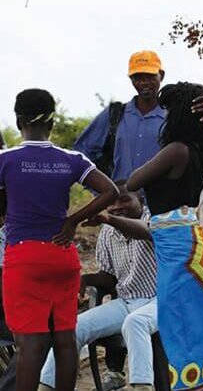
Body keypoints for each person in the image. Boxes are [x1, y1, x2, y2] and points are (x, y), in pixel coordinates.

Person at [0, 89, 118, 391]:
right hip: (62, 256)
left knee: (29, 345)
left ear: (18, 121)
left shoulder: (6, 160)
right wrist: (73, 220)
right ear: (52, 123)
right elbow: (110, 192)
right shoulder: (71, 159)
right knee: (66, 339)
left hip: (23, 259)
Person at [126, 82, 203, 390]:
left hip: (179, 247)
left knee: (178, 321)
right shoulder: (196, 149)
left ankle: (187, 383)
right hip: (184, 241)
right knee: (189, 320)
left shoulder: (175, 150)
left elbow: (132, 181)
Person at [39, 184, 157, 391]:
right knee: (74, 327)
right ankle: (47, 386)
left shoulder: (154, 219)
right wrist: (85, 279)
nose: (117, 206)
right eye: (111, 203)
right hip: (127, 301)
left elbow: (145, 232)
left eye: (125, 199)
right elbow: (110, 279)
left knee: (135, 322)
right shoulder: (107, 233)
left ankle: (142, 386)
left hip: (160, 300)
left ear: (140, 197)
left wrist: (109, 219)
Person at [74, 50, 203, 181]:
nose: (143, 82)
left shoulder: (174, 117)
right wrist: (103, 191)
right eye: (137, 77)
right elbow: (83, 152)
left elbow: (201, 157)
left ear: (161, 75)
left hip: (163, 206)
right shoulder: (115, 114)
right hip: (122, 205)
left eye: (149, 76)